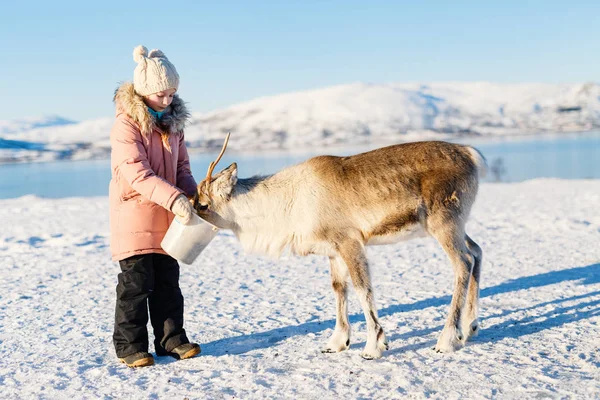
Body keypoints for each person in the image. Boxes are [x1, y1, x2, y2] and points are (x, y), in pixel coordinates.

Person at [109, 45, 200, 368]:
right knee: (136, 285)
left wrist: (193, 197)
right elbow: (137, 173)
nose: (168, 100)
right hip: (134, 215)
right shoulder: (126, 125)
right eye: (161, 94)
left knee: (167, 282)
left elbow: (182, 170)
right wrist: (174, 198)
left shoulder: (174, 124)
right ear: (145, 91)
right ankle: (130, 346)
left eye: (172, 93)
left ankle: (171, 340)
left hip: (168, 217)